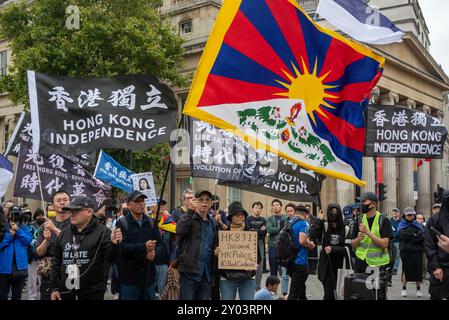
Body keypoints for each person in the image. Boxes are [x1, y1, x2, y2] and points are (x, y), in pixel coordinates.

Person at [49, 195, 122, 300]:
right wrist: (54, 288)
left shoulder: (103, 232)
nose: (72, 214)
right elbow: (56, 261)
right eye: (71, 211)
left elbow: (112, 259)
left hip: (92, 294)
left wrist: (115, 244)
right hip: (65, 292)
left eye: (76, 211)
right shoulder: (64, 233)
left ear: (89, 211)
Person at [116, 191, 162, 300]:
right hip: (129, 281)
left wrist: (155, 254)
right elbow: (121, 249)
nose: (141, 204)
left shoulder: (151, 222)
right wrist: (144, 248)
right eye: (137, 201)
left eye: (142, 201)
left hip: (149, 279)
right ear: (128, 205)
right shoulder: (121, 223)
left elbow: (161, 246)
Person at [176, 190, 219, 300]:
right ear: (195, 202)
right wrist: (190, 211)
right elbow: (180, 230)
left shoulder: (213, 223)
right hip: (189, 273)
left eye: (207, 200)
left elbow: (215, 244)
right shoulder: (189, 217)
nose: (204, 203)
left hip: (207, 274)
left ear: (211, 204)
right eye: (201, 200)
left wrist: (217, 250)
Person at [351, 192, 393, 300]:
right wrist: (358, 239)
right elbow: (351, 243)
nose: (361, 204)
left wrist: (367, 232)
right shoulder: (359, 219)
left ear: (373, 204)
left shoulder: (383, 220)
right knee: (360, 294)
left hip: (377, 266)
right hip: (360, 263)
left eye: (364, 201)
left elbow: (384, 244)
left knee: (375, 295)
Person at [218, 202, 260, 300]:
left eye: (242, 214)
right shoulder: (223, 234)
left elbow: (258, 256)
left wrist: (254, 263)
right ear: (231, 217)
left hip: (247, 277)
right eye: (237, 214)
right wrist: (217, 253)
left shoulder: (251, 234)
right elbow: (216, 255)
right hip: (227, 277)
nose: (240, 216)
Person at [35, 190, 71, 300]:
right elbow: (39, 252)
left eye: (65, 200)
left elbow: (73, 244)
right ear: (52, 205)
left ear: (70, 202)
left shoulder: (75, 223)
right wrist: (46, 240)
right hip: (50, 274)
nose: (62, 203)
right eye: (58, 200)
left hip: (71, 272)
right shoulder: (44, 226)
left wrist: (54, 229)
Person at [315, 204, 351, 300]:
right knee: (329, 295)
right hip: (327, 267)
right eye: (331, 212)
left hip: (340, 267)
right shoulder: (325, 227)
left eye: (335, 212)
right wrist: (318, 220)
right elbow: (313, 234)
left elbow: (348, 249)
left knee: (340, 295)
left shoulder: (346, 229)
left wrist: (333, 249)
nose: (333, 215)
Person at [0, 206, 32, 300]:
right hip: (3, 268)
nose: (15, 216)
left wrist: (18, 231)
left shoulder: (24, 227)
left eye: (17, 214)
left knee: (17, 295)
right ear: (8, 214)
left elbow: (27, 241)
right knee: (2, 295)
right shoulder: (3, 227)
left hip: (20, 268)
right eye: (13, 213)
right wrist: (9, 235)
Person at [288, 205, 315, 300]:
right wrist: (310, 244)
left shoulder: (288, 222)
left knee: (301, 290)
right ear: (304, 215)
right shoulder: (303, 223)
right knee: (294, 294)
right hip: (300, 262)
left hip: (290, 261)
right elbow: (302, 240)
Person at [424, 194, 449, 300]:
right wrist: (435, 267)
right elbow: (429, 245)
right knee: (436, 295)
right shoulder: (435, 219)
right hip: (441, 266)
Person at [149, 204, 177, 298]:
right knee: (149, 291)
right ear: (152, 208)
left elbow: (174, 245)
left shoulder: (170, 223)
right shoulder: (147, 222)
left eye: (162, 205)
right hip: (149, 263)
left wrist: (172, 262)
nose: (159, 208)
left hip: (164, 264)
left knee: (163, 291)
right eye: (157, 205)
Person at [398, 207, 425, 298]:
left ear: (413, 215)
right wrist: (414, 235)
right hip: (405, 251)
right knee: (405, 269)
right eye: (408, 215)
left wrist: (412, 236)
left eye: (411, 215)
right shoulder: (401, 224)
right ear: (405, 215)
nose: (410, 216)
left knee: (418, 270)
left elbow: (421, 236)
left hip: (417, 251)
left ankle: (418, 290)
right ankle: (404, 289)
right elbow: (402, 236)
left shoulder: (417, 224)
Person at [246, 201, 267, 291]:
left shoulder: (263, 220)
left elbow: (264, 233)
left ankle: (257, 286)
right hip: (250, 243)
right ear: (252, 209)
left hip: (260, 242)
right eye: (256, 207)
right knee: (250, 263)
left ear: (261, 209)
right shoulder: (248, 219)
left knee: (260, 264)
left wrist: (254, 230)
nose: (257, 209)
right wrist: (259, 230)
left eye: (259, 208)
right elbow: (248, 231)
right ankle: (249, 286)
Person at [27, 208, 45, 300]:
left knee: (42, 278)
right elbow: (27, 238)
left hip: (43, 257)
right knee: (32, 279)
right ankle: (32, 297)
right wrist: (32, 241)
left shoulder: (47, 225)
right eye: (38, 215)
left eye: (41, 215)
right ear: (35, 216)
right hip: (32, 256)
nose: (40, 217)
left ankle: (42, 295)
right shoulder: (30, 226)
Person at [267, 199, 287, 284]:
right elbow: (269, 229)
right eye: (274, 205)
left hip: (283, 246)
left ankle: (284, 290)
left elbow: (287, 229)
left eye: (277, 205)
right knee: (273, 269)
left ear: (281, 206)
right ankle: (272, 288)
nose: (275, 207)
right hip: (273, 246)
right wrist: (281, 229)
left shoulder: (285, 217)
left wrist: (281, 230)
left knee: (284, 270)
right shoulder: (270, 218)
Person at [390, 208, 402, 276]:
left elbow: (399, 231)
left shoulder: (401, 222)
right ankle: (390, 268)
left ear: (399, 213)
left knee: (397, 256)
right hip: (390, 241)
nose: (395, 213)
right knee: (390, 255)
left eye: (396, 212)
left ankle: (395, 269)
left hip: (397, 241)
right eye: (394, 211)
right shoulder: (389, 221)